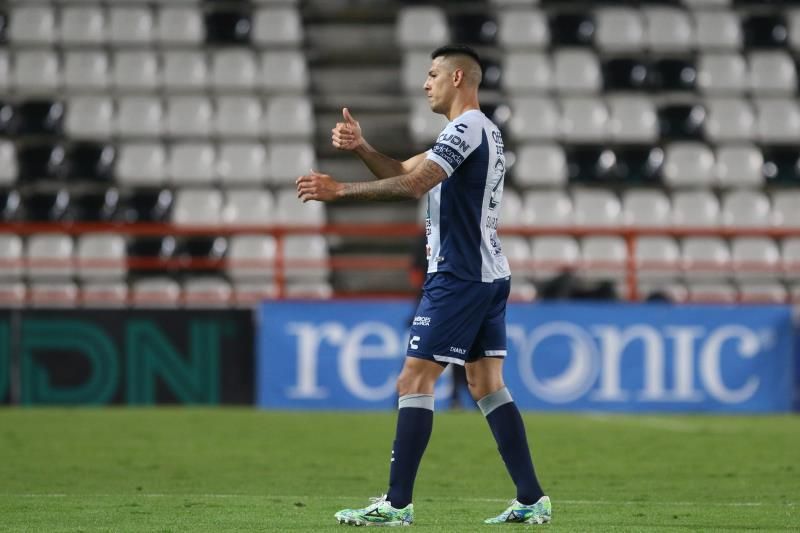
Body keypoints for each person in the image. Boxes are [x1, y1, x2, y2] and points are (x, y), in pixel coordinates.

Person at [296, 44, 551, 527]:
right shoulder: (478, 132)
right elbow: (406, 172)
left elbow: (415, 186)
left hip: (458, 274)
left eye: (433, 74)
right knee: (486, 384)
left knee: (413, 380)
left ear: (459, 78)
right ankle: (532, 498)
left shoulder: (467, 128)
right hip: (487, 273)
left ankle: (396, 505)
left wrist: (340, 191)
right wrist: (363, 149)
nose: (424, 83)